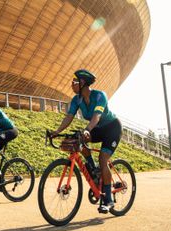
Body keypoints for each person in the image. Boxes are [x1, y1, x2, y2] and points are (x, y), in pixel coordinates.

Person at [51, 69, 122, 213]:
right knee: (79, 141)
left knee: (103, 159)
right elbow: (69, 117)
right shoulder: (76, 99)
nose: (72, 84)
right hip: (96, 128)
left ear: (83, 83)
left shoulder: (100, 96)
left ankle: (108, 200)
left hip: (112, 128)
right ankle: (94, 170)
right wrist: (57, 132)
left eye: (74, 82)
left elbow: (96, 117)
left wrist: (87, 129)